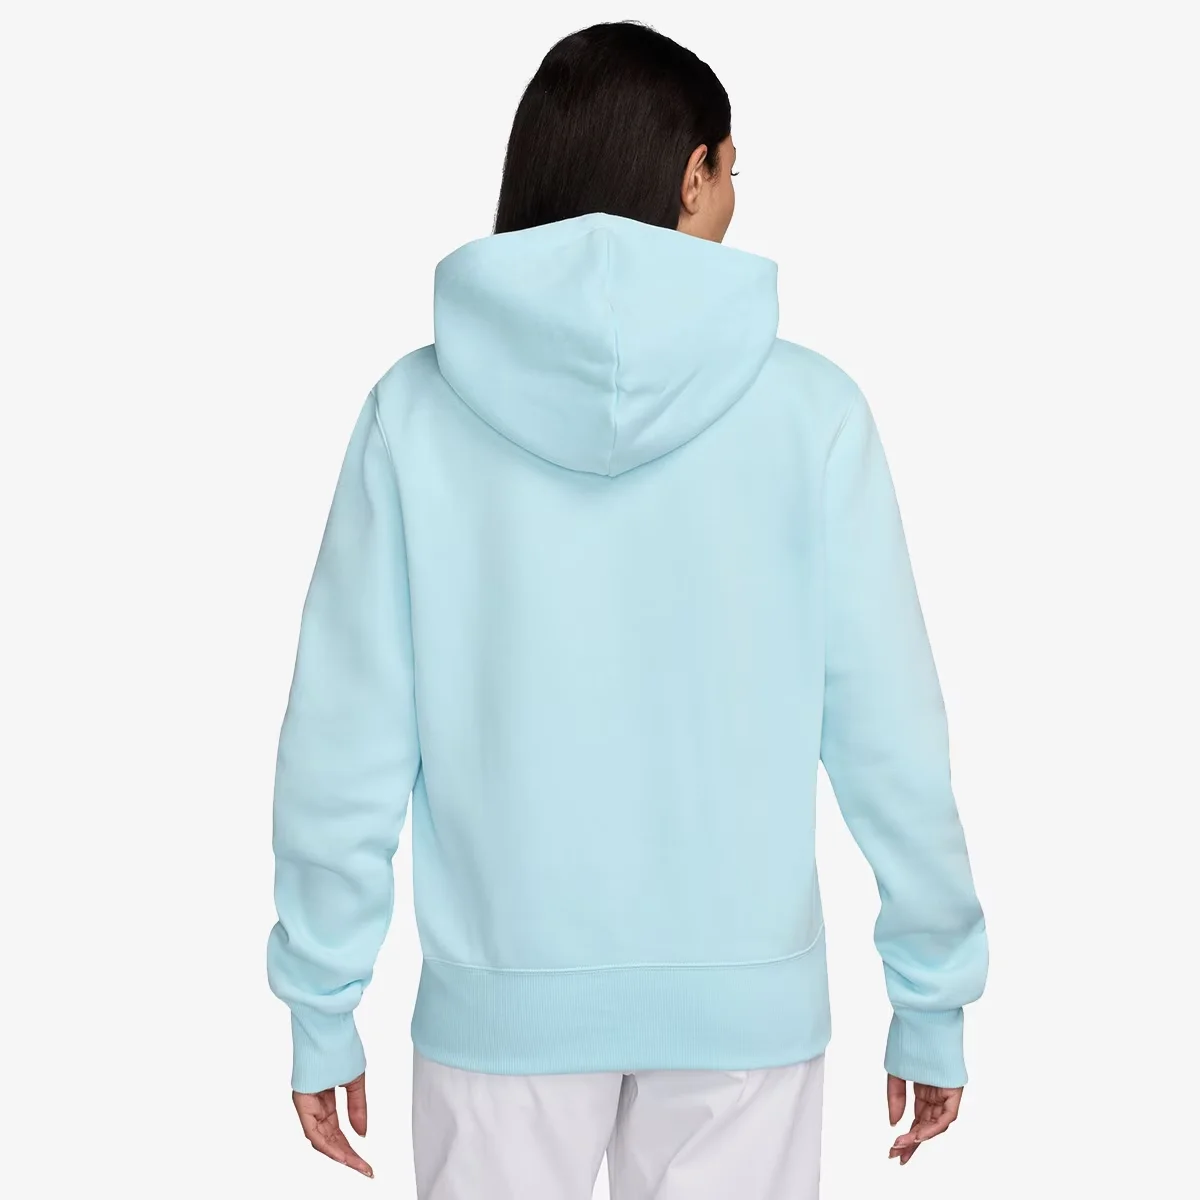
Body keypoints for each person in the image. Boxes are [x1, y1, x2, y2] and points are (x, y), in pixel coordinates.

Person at [267, 20, 987, 1199]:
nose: (736, 198)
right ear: (691, 174)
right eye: (734, 169)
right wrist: (932, 992)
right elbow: (891, 739)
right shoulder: (812, 416)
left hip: (499, 1014)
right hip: (744, 1016)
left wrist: (321, 1002)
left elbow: (343, 745)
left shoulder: (415, 414)